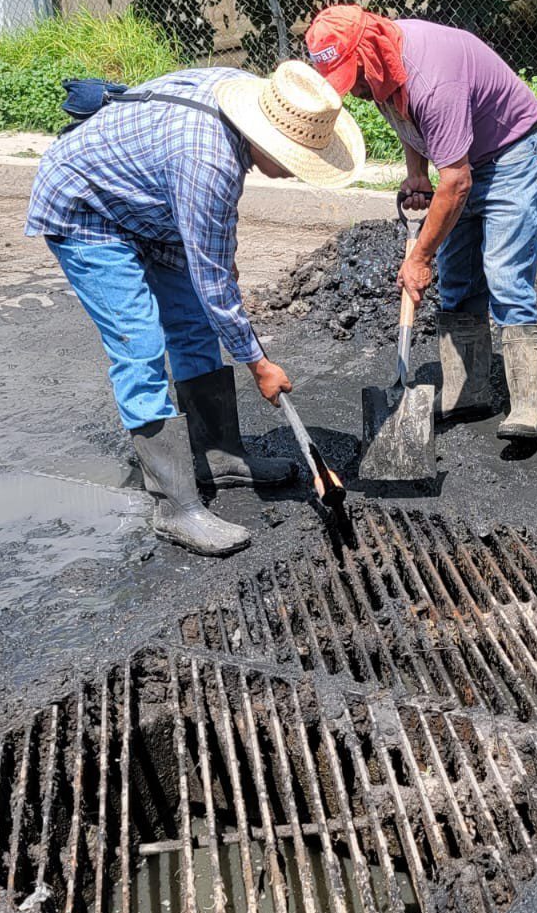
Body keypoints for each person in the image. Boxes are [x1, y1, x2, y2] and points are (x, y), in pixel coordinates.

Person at [26, 62, 365, 556]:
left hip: (152, 203)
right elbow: (215, 280)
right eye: (295, 159)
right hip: (88, 208)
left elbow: (208, 285)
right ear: (266, 138)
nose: (295, 170)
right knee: (139, 343)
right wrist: (259, 363)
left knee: (193, 325)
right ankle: (176, 507)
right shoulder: (209, 163)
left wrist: (246, 344)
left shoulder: (245, 92)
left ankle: (219, 455)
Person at [303, 5, 537, 440]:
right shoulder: (382, 69)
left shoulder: (432, 79)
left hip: (514, 154)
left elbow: (456, 182)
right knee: (458, 282)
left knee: (504, 275)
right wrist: (417, 172)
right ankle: (467, 393)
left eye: (355, 75)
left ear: (370, 52)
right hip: (463, 159)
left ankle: (525, 407)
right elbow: (409, 121)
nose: (355, 89)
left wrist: (419, 257)